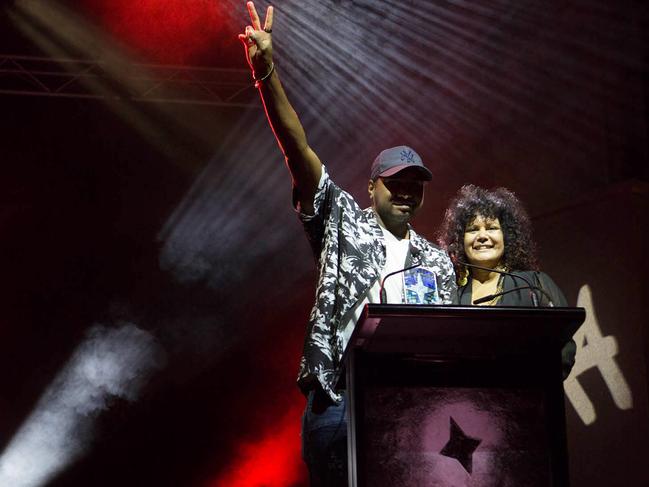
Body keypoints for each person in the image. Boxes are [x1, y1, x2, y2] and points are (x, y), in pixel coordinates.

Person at [238, 3, 457, 485]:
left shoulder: (437, 262)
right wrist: (267, 72)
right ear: (371, 186)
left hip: (411, 404)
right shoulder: (342, 222)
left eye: (415, 184)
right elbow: (300, 153)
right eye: (396, 181)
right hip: (340, 398)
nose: (406, 190)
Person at [438, 184, 576, 377]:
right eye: (473, 229)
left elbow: (564, 346)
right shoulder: (452, 294)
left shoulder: (534, 284)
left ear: (507, 236)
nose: (482, 236)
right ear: (460, 240)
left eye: (492, 228)